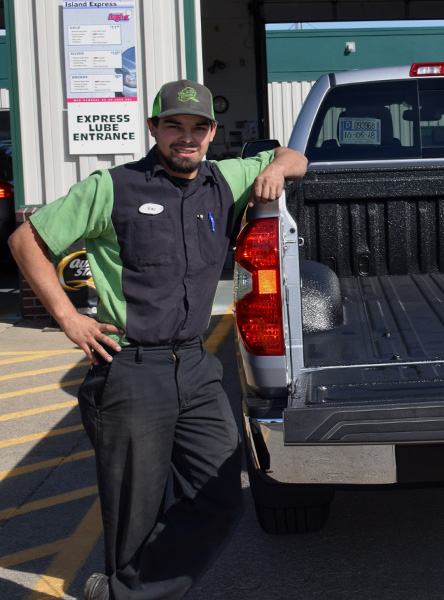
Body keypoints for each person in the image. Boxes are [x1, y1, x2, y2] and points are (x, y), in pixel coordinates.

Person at [7, 79, 308, 600]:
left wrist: (277, 168)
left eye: (197, 127)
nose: (185, 138)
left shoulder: (226, 179)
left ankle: (125, 593)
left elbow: (294, 155)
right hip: (130, 370)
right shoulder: (112, 187)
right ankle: (129, 586)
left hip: (196, 365)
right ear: (154, 129)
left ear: (212, 133)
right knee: (134, 516)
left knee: (220, 494)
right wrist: (68, 319)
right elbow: (25, 238)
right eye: (174, 126)